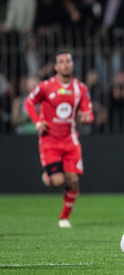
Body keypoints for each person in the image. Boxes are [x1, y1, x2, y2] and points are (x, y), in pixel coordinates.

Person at [24, 51, 94, 228]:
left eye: (68, 61)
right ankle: (49, 178)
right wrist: (38, 122)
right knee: (57, 182)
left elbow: (89, 113)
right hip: (50, 141)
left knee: (73, 180)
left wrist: (87, 118)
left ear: (72, 64)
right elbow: (28, 102)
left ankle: (64, 217)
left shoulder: (81, 88)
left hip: (70, 140)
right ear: (56, 67)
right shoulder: (46, 86)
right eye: (61, 62)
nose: (65, 64)